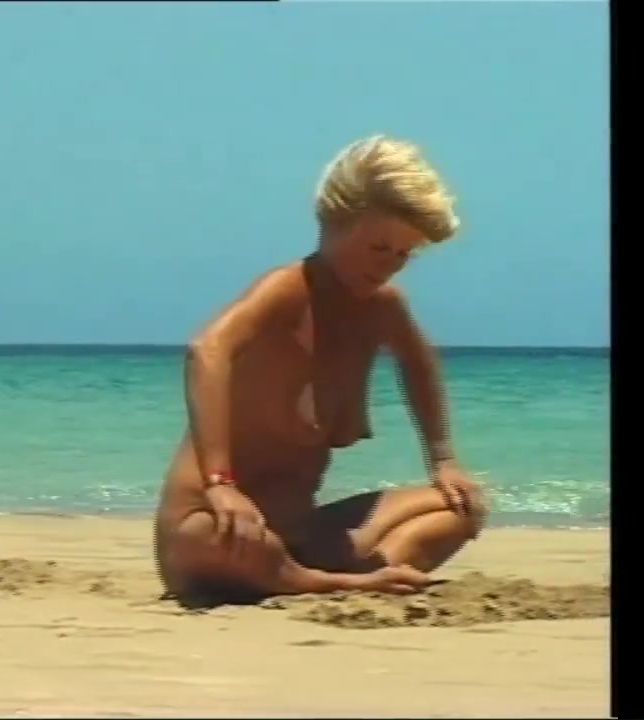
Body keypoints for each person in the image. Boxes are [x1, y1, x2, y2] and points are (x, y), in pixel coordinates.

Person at [154, 135, 488, 603]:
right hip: (218, 528)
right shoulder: (287, 290)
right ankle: (345, 583)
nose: (389, 266)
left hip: (300, 535)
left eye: (403, 255)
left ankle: (339, 576)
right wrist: (221, 484)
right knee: (205, 538)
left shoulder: (382, 307)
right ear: (334, 223)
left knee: (462, 506)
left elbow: (419, 361)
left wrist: (444, 460)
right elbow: (207, 350)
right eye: (379, 247)